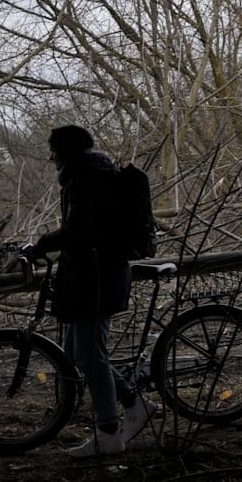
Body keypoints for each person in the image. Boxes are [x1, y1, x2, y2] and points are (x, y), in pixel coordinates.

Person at [27, 125, 150, 457]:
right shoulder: (88, 174)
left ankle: (109, 433)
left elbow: (80, 231)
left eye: (52, 149)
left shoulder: (86, 179)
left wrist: (42, 245)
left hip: (95, 279)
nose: (49, 156)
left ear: (64, 150)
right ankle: (134, 403)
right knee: (79, 353)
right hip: (95, 276)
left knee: (91, 355)